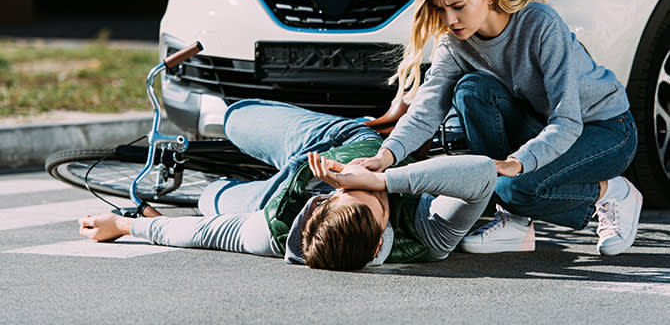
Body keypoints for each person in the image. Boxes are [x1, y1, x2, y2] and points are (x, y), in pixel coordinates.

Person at [351, 0, 641, 256]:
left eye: (458, 6)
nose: (449, 20)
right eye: (440, 9)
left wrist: (517, 163)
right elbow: (426, 112)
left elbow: (567, 121)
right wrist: (384, 157)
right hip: (542, 127)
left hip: (605, 129)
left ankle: (613, 192)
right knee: (472, 89)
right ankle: (514, 220)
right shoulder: (455, 44)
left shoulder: (540, 24)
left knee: (514, 187)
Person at [80, 99, 498, 271]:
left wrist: (124, 226)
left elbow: (199, 233)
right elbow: (481, 173)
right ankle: (226, 121)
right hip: (337, 143)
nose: (358, 185)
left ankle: (224, 171)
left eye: (372, 195)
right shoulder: (429, 237)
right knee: (233, 118)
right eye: (347, 191)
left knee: (213, 200)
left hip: (283, 190)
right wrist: (383, 178)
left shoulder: (275, 233)